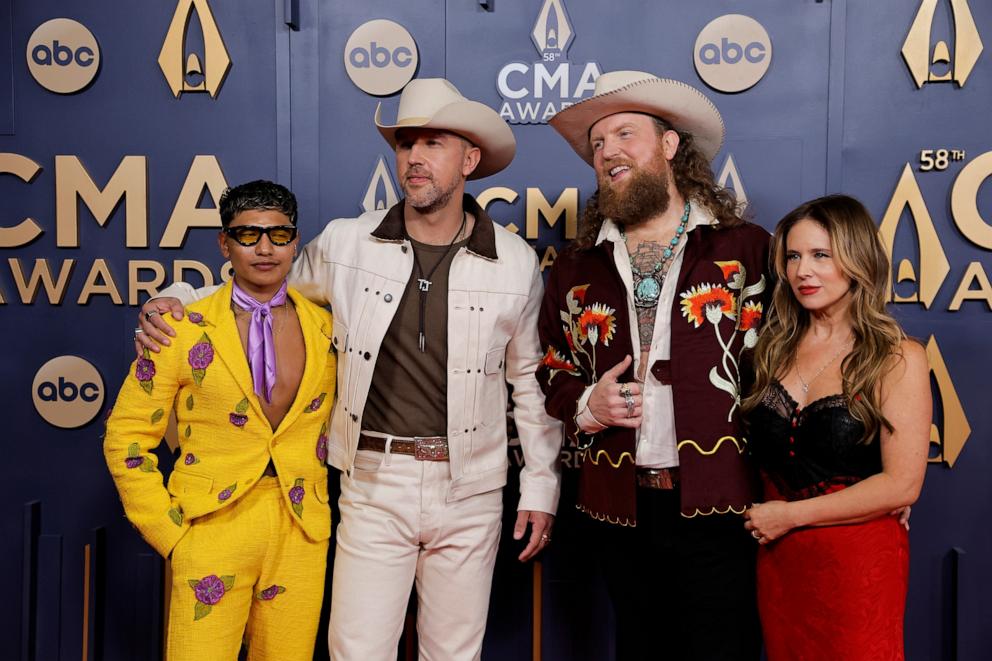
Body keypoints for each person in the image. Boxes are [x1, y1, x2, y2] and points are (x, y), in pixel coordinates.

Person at [135, 78, 562, 660]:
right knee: (357, 650)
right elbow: (260, 286)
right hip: (372, 479)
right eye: (405, 143)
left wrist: (540, 484)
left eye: (433, 142)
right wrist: (180, 298)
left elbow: (530, 383)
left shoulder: (514, 262)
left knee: (455, 653)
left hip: (472, 487)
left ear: (470, 159)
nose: (413, 157)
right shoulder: (348, 243)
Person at [538, 70, 769, 660]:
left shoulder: (744, 249)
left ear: (670, 145)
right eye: (597, 144)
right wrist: (587, 405)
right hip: (618, 504)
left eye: (624, 134)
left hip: (723, 504)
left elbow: (789, 362)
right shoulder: (574, 269)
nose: (607, 151)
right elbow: (551, 365)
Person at [104, 180, 335, 660]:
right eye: (247, 235)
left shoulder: (327, 326)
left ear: (295, 240)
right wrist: (173, 536)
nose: (265, 248)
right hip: (208, 526)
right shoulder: (180, 327)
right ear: (224, 243)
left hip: (300, 529)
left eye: (278, 234)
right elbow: (126, 439)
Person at [741, 194, 930, 660]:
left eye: (821, 255)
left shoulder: (898, 357)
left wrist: (786, 516)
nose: (803, 271)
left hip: (858, 561)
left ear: (856, 258)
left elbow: (902, 485)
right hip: (781, 564)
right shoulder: (768, 351)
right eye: (793, 256)